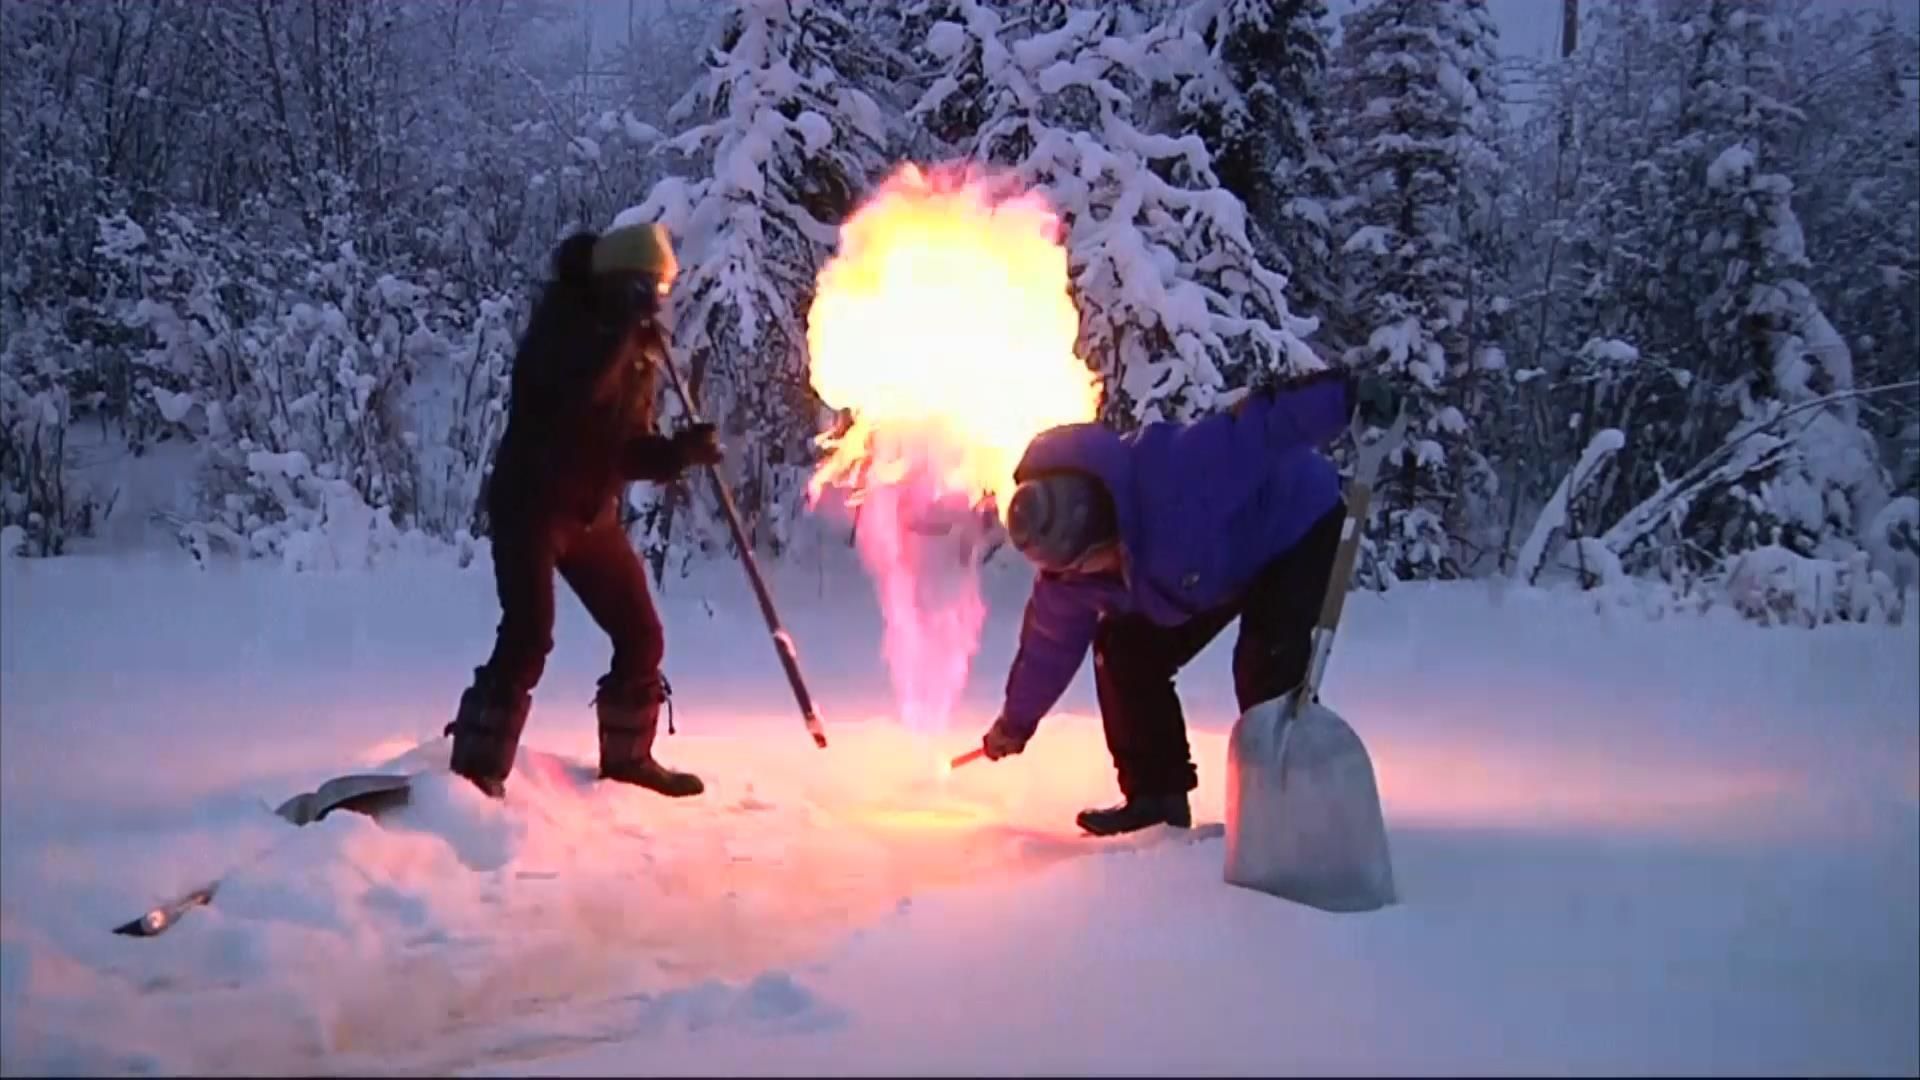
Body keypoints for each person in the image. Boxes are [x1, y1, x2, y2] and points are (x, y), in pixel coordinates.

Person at [974, 367, 1396, 836]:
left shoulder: (1179, 475)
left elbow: (1264, 425)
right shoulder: (1068, 583)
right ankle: (1157, 801)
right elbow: (1046, 651)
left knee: (1265, 665)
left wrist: (1346, 395)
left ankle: (1287, 807)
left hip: (1293, 527)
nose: (1102, 567)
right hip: (1205, 572)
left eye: (1104, 551)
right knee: (1122, 650)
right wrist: (1015, 724)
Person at [444, 223, 720, 800]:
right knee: (528, 635)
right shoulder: (561, 330)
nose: (658, 305)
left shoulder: (638, 351)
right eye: (649, 289)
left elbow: (625, 448)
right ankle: (475, 773)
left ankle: (628, 760)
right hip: (534, 506)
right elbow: (574, 403)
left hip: (593, 515)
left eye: (662, 293)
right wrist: (624, 332)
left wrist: (677, 453)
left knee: (641, 634)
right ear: (621, 286)